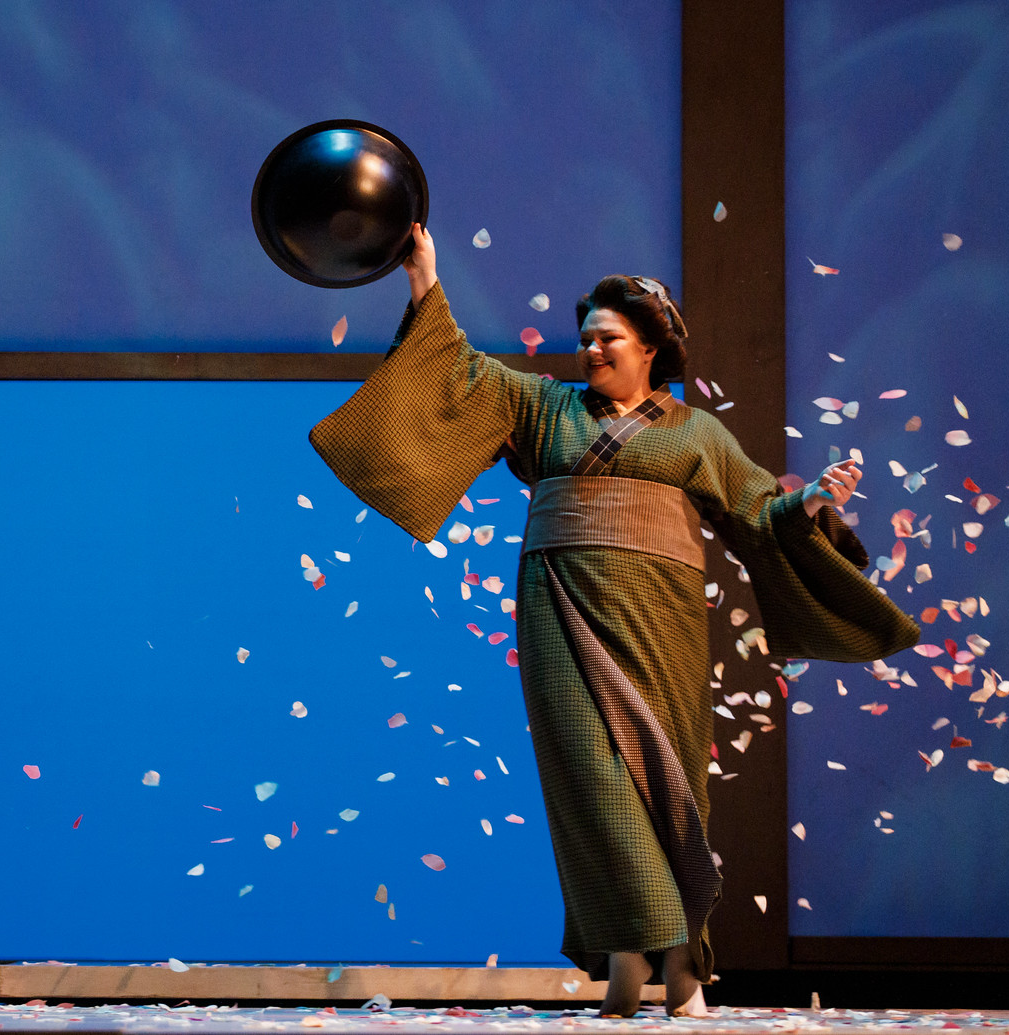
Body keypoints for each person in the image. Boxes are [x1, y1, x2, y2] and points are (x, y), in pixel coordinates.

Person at [310, 225, 918, 1016]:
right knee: (592, 782)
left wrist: (808, 501)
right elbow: (454, 366)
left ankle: (672, 962)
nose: (592, 351)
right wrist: (423, 275)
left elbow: (758, 509)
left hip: (662, 618)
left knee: (669, 785)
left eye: (609, 338)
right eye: (586, 337)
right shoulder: (541, 405)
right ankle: (644, 955)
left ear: (651, 350)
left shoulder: (696, 433)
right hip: (561, 605)